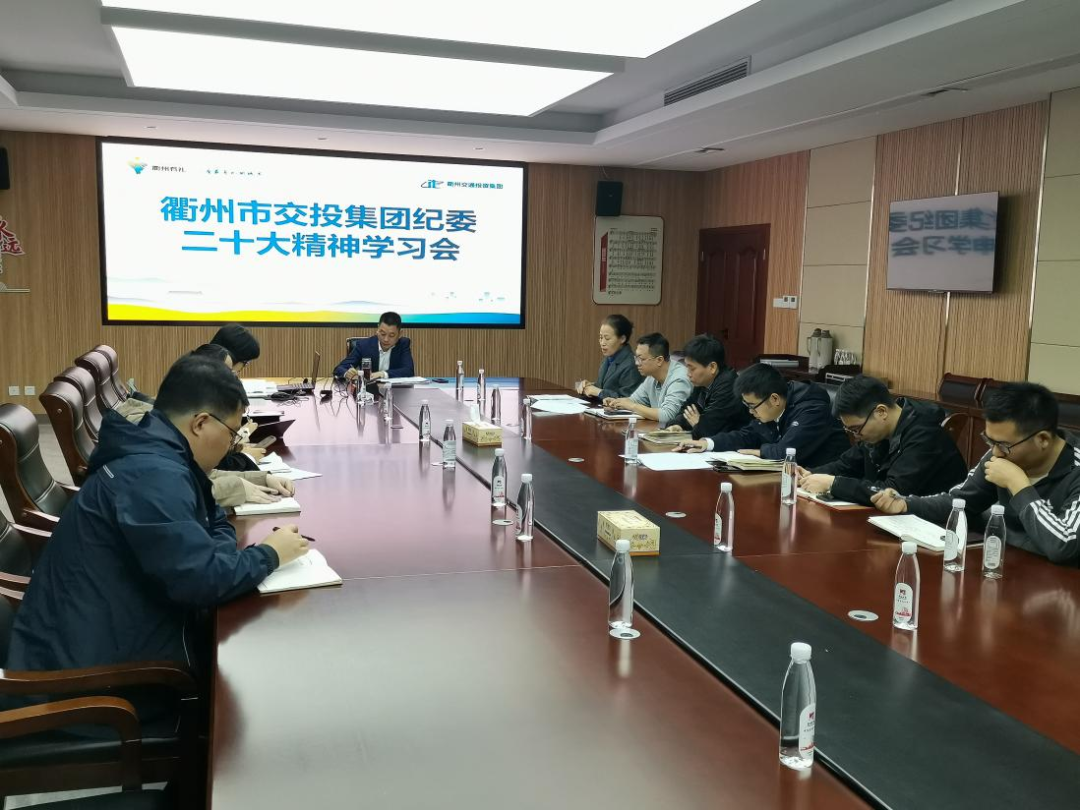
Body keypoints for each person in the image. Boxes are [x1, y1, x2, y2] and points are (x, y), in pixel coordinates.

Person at [7, 355, 308, 686]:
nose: (231, 446)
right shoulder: (153, 476)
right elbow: (202, 582)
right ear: (201, 423)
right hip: (89, 684)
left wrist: (217, 555)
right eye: (233, 434)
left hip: (101, 634)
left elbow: (212, 524)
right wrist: (270, 554)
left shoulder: (159, 452)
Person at [873, 382, 1080, 565]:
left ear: (1042, 439)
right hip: (1004, 565)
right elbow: (959, 502)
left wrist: (1018, 485)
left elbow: (1063, 545)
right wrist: (906, 504)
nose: (995, 453)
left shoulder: (1075, 470)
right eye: (990, 441)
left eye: (1003, 445)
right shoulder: (1002, 454)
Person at [116, 344, 296, 507]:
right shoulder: (145, 439)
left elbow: (198, 475)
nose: (233, 380)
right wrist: (238, 487)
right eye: (232, 434)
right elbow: (178, 491)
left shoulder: (163, 430)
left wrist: (262, 479)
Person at [797, 375, 967, 506]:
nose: (855, 436)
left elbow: (892, 492)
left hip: (933, 526)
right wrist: (808, 475)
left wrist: (833, 484)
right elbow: (846, 465)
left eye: (856, 429)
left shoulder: (925, 435)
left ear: (881, 412)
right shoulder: (879, 433)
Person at [679, 362, 849, 466]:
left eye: (753, 406)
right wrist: (707, 443)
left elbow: (785, 453)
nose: (751, 412)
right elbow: (747, 435)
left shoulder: (812, 410)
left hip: (826, 485)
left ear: (774, 399)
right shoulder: (773, 409)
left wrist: (760, 451)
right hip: (796, 480)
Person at [668, 334, 749, 439]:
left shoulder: (729, 385)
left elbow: (710, 428)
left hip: (738, 445)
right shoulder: (703, 382)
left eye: (692, 368)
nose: (688, 374)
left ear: (712, 367)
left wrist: (699, 424)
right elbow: (688, 409)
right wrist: (677, 425)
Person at [602, 333, 692, 426]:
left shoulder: (679, 379)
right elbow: (634, 400)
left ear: (659, 360)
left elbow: (667, 415)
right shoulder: (652, 376)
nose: (637, 363)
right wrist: (616, 402)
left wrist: (632, 406)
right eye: (636, 358)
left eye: (641, 359)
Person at [577, 314, 643, 399]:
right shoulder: (609, 358)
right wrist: (589, 386)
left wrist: (598, 392)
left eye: (607, 338)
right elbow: (605, 387)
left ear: (622, 339)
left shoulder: (634, 363)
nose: (602, 343)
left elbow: (628, 399)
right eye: (601, 337)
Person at [334, 311, 415, 380]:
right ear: (378, 329)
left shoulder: (403, 344)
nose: (386, 339)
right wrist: (347, 373)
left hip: (395, 391)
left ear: (400, 334)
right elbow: (339, 368)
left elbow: (408, 371)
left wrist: (382, 374)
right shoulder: (364, 345)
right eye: (382, 334)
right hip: (368, 391)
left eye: (391, 335)